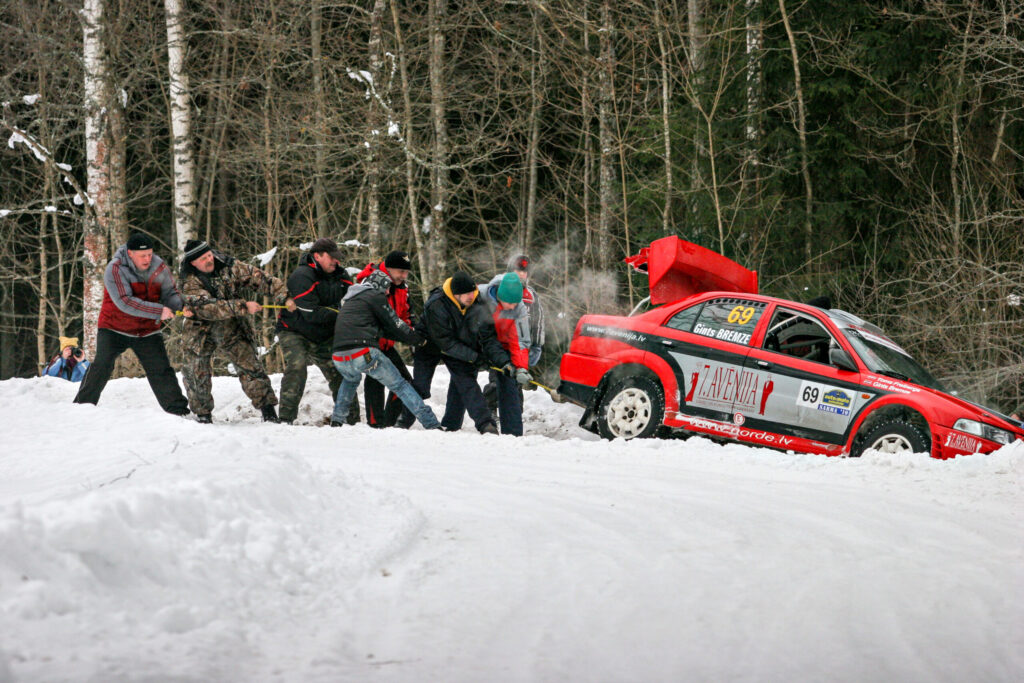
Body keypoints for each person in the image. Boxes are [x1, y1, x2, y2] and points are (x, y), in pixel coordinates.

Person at [179, 239, 296, 424]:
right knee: (195, 372)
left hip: (231, 325)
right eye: (203, 259)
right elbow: (207, 308)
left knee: (251, 366)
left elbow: (259, 278)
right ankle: (203, 416)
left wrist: (284, 296)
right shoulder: (188, 280)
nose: (209, 260)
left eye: (209, 255)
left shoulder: (228, 265)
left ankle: (268, 411)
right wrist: (242, 306)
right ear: (193, 263)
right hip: (199, 329)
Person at [73, 232, 191, 415]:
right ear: (130, 253)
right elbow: (125, 302)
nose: (147, 259)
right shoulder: (115, 269)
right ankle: (82, 406)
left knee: (161, 369)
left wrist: (182, 306)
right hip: (114, 327)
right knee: (102, 365)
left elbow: (170, 293)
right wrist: (158, 311)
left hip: (146, 330)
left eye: (150, 254)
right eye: (142, 255)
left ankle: (178, 411)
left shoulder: (159, 267)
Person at [403, 271, 514, 435]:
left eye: (472, 292)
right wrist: (474, 357)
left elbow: (489, 337)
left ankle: (479, 424)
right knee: (420, 386)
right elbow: (445, 343)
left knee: (466, 380)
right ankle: (401, 421)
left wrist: (503, 361)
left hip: (459, 343)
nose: (470, 296)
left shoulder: (478, 303)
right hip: (430, 343)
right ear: (455, 295)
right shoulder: (437, 304)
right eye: (465, 294)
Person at [329, 268, 441, 429]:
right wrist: (420, 341)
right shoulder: (375, 295)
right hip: (363, 351)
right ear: (378, 285)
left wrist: (408, 339)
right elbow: (396, 324)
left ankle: (337, 420)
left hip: (339, 356)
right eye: (387, 287)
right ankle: (431, 423)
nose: (388, 291)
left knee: (350, 380)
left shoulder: (350, 300)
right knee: (400, 385)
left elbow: (385, 331)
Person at [275, 238, 358, 425]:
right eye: (332, 258)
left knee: (343, 372)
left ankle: (352, 421)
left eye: (338, 258)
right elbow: (311, 313)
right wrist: (340, 312)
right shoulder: (302, 276)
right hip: (294, 330)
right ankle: (285, 419)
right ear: (317, 256)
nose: (336, 262)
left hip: (325, 334)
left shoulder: (341, 275)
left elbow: (353, 300)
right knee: (297, 366)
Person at [354, 250, 417, 428]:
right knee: (375, 379)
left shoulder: (402, 287)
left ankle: (389, 423)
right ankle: (375, 424)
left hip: (387, 344)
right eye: (400, 272)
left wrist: (411, 334)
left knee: (404, 381)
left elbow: (405, 314)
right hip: (370, 342)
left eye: (406, 273)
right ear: (388, 269)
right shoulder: (372, 283)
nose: (404, 276)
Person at [484, 254, 545, 412]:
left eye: (524, 272)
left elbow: (538, 322)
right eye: (517, 271)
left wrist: (537, 345)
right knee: (496, 380)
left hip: (520, 345)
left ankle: (515, 413)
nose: (521, 274)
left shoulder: (531, 296)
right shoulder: (498, 288)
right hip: (498, 345)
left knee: (516, 382)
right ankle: (490, 408)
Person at [476, 272, 534, 436]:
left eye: (516, 303)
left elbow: (520, 341)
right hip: (477, 344)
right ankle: (452, 426)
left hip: (502, 347)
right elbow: (485, 338)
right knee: (464, 380)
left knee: (510, 384)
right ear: (500, 297)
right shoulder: (481, 298)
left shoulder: (519, 308)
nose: (513, 307)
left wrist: (521, 367)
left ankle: (513, 434)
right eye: (509, 303)